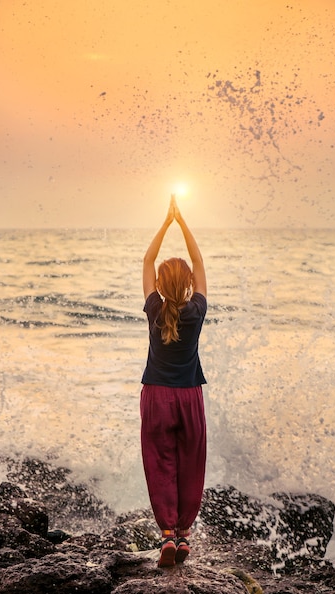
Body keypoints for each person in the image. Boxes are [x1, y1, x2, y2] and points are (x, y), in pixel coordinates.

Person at [140, 194, 207, 567]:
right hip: (189, 398)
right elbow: (198, 261)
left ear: (161, 286)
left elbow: (148, 260)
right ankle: (183, 534)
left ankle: (167, 534)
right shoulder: (196, 311)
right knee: (189, 463)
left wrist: (166, 223)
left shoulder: (154, 308)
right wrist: (183, 222)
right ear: (191, 283)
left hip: (156, 397)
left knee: (159, 461)